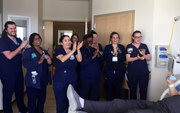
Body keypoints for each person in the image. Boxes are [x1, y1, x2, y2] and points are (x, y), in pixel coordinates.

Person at [67, 74, 180, 113]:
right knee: (119, 104)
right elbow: (175, 95)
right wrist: (171, 84)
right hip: (160, 104)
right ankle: (82, 104)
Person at [0, 21, 28, 113]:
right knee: (8, 95)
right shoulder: (3, 41)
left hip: (18, 71)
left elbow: (21, 55)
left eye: (14, 28)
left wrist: (24, 48)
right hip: (7, 73)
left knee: (20, 93)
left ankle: (22, 110)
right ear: (6, 30)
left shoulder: (18, 40)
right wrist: (21, 47)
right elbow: (9, 56)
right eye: (11, 28)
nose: (13, 30)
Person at [22, 33, 52, 113]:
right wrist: (39, 62)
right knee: (32, 101)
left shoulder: (44, 51)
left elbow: (49, 64)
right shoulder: (28, 51)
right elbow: (25, 64)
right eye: (35, 39)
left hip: (43, 80)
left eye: (39, 38)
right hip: (33, 81)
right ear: (32, 41)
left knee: (42, 100)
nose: (38, 40)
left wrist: (49, 61)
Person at [53, 35, 83, 113]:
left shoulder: (73, 50)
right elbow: (62, 59)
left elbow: (79, 59)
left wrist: (78, 49)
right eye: (65, 40)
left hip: (72, 79)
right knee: (61, 101)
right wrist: (73, 51)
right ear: (61, 43)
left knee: (72, 100)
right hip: (60, 80)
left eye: (69, 40)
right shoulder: (59, 50)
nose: (68, 42)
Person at [126, 30, 151, 100]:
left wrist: (144, 56)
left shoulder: (144, 46)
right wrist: (137, 57)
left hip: (143, 72)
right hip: (132, 73)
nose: (139, 39)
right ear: (133, 37)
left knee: (143, 91)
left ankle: (143, 108)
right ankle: (133, 107)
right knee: (132, 91)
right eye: (137, 37)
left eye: (140, 37)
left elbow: (149, 57)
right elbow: (128, 59)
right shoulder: (129, 46)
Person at [79, 34, 102, 101]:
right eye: (88, 41)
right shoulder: (81, 50)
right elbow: (82, 63)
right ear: (84, 41)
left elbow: (101, 60)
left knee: (94, 97)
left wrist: (98, 54)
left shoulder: (93, 49)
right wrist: (93, 57)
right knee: (84, 97)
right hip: (85, 79)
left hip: (96, 78)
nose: (90, 43)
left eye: (91, 41)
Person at [103, 32, 126, 100]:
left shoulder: (121, 47)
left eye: (117, 37)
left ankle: (117, 106)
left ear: (118, 39)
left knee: (118, 89)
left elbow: (123, 58)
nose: (115, 39)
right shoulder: (107, 47)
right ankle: (109, 105)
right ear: (111, 39)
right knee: (109, 88)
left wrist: (117, 51)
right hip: (109, 71)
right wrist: (113, 53)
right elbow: (105, 58)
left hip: (119, 71)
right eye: (113, 37)